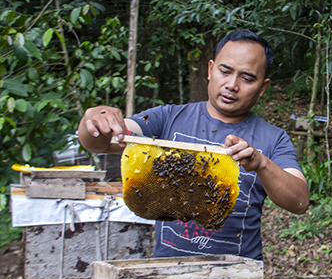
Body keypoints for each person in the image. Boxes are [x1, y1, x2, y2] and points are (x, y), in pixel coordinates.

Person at [78, 29, 309, 260]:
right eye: (225, 71)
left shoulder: (273, 138)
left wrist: (261, 164)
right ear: (210, 70)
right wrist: (95, 118)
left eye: (247, 78)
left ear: (263, 87)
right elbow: (102, 142)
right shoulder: (167, 118)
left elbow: (299, 201)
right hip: (167, 275)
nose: (232, 84)